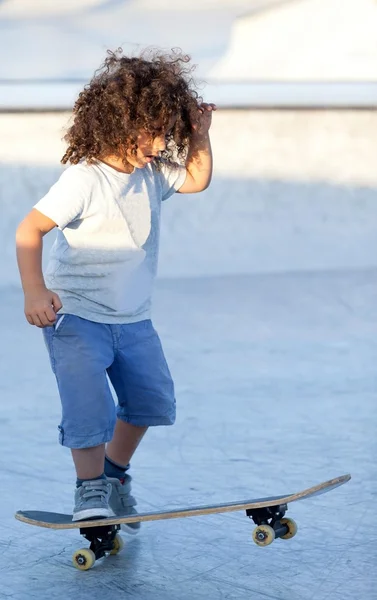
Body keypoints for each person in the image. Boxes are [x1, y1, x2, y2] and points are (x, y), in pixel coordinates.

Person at [15, 48, 216, 529]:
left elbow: (196, 179)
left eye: (169, 131)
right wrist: (34, 291)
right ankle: (89, 489)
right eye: (156, 130)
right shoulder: (84, 179)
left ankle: (115, 476)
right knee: (90, 406)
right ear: (120, 122)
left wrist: (201, 137)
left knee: (151, 401)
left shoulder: (150, 175)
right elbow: (28, 230)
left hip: (133, 318)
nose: (162, 142)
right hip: (77, 315)